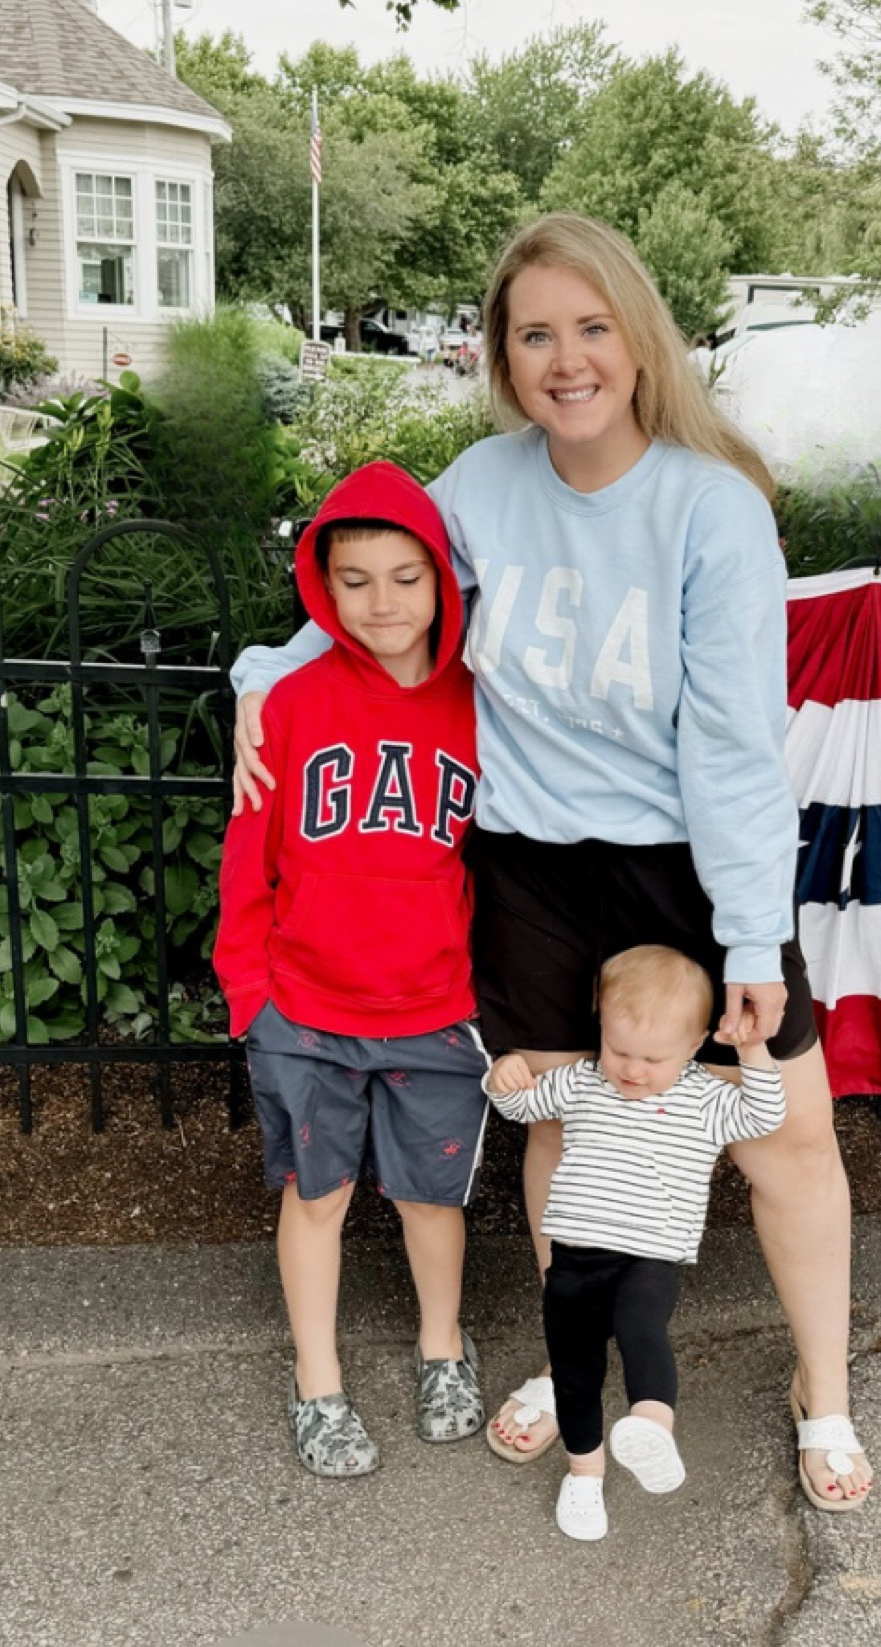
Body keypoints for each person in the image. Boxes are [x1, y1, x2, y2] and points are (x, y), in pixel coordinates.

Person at [230, 211, 873, 1511]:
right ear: (502, 355)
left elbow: (740, 743)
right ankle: (574, 1356)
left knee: (784, 1140)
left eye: (590, 328)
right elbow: (375, 611)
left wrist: (749, 935)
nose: (566, 358)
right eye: (536, 334)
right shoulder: (479, 488)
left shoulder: (710, 507)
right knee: (566, 1127)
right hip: (527, 866)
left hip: (686, 872)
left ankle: (826, 1395)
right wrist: (265, 673)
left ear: (636, 340)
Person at [214, 460, 487, 1478]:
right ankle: (318, 1383)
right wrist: (254, 996)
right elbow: (250, 862)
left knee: (431, 1199)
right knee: (316, 1195)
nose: (382, 601)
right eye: (356, 578)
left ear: (443, 582)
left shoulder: (479, 704)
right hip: (307, 1009)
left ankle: (442, 1349)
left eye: (406, 576)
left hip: (435, 1007)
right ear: (321, 587)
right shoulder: (287, 701)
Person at [484, 945, 787, 1541]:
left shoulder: (703, 1098)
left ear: (696, 1044)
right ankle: (584, 1474)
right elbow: (521, 1105)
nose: (632, 1068)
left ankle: (651, 1422)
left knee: (643, 1330)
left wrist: (751, 1049)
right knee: (574, 1372)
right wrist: (503, 1078)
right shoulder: (582, 1081)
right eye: (620, 1049)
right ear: (601, 1028)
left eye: (653, 1058)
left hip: (649, 1256)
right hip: (571, 1259)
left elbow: (765, 1113)